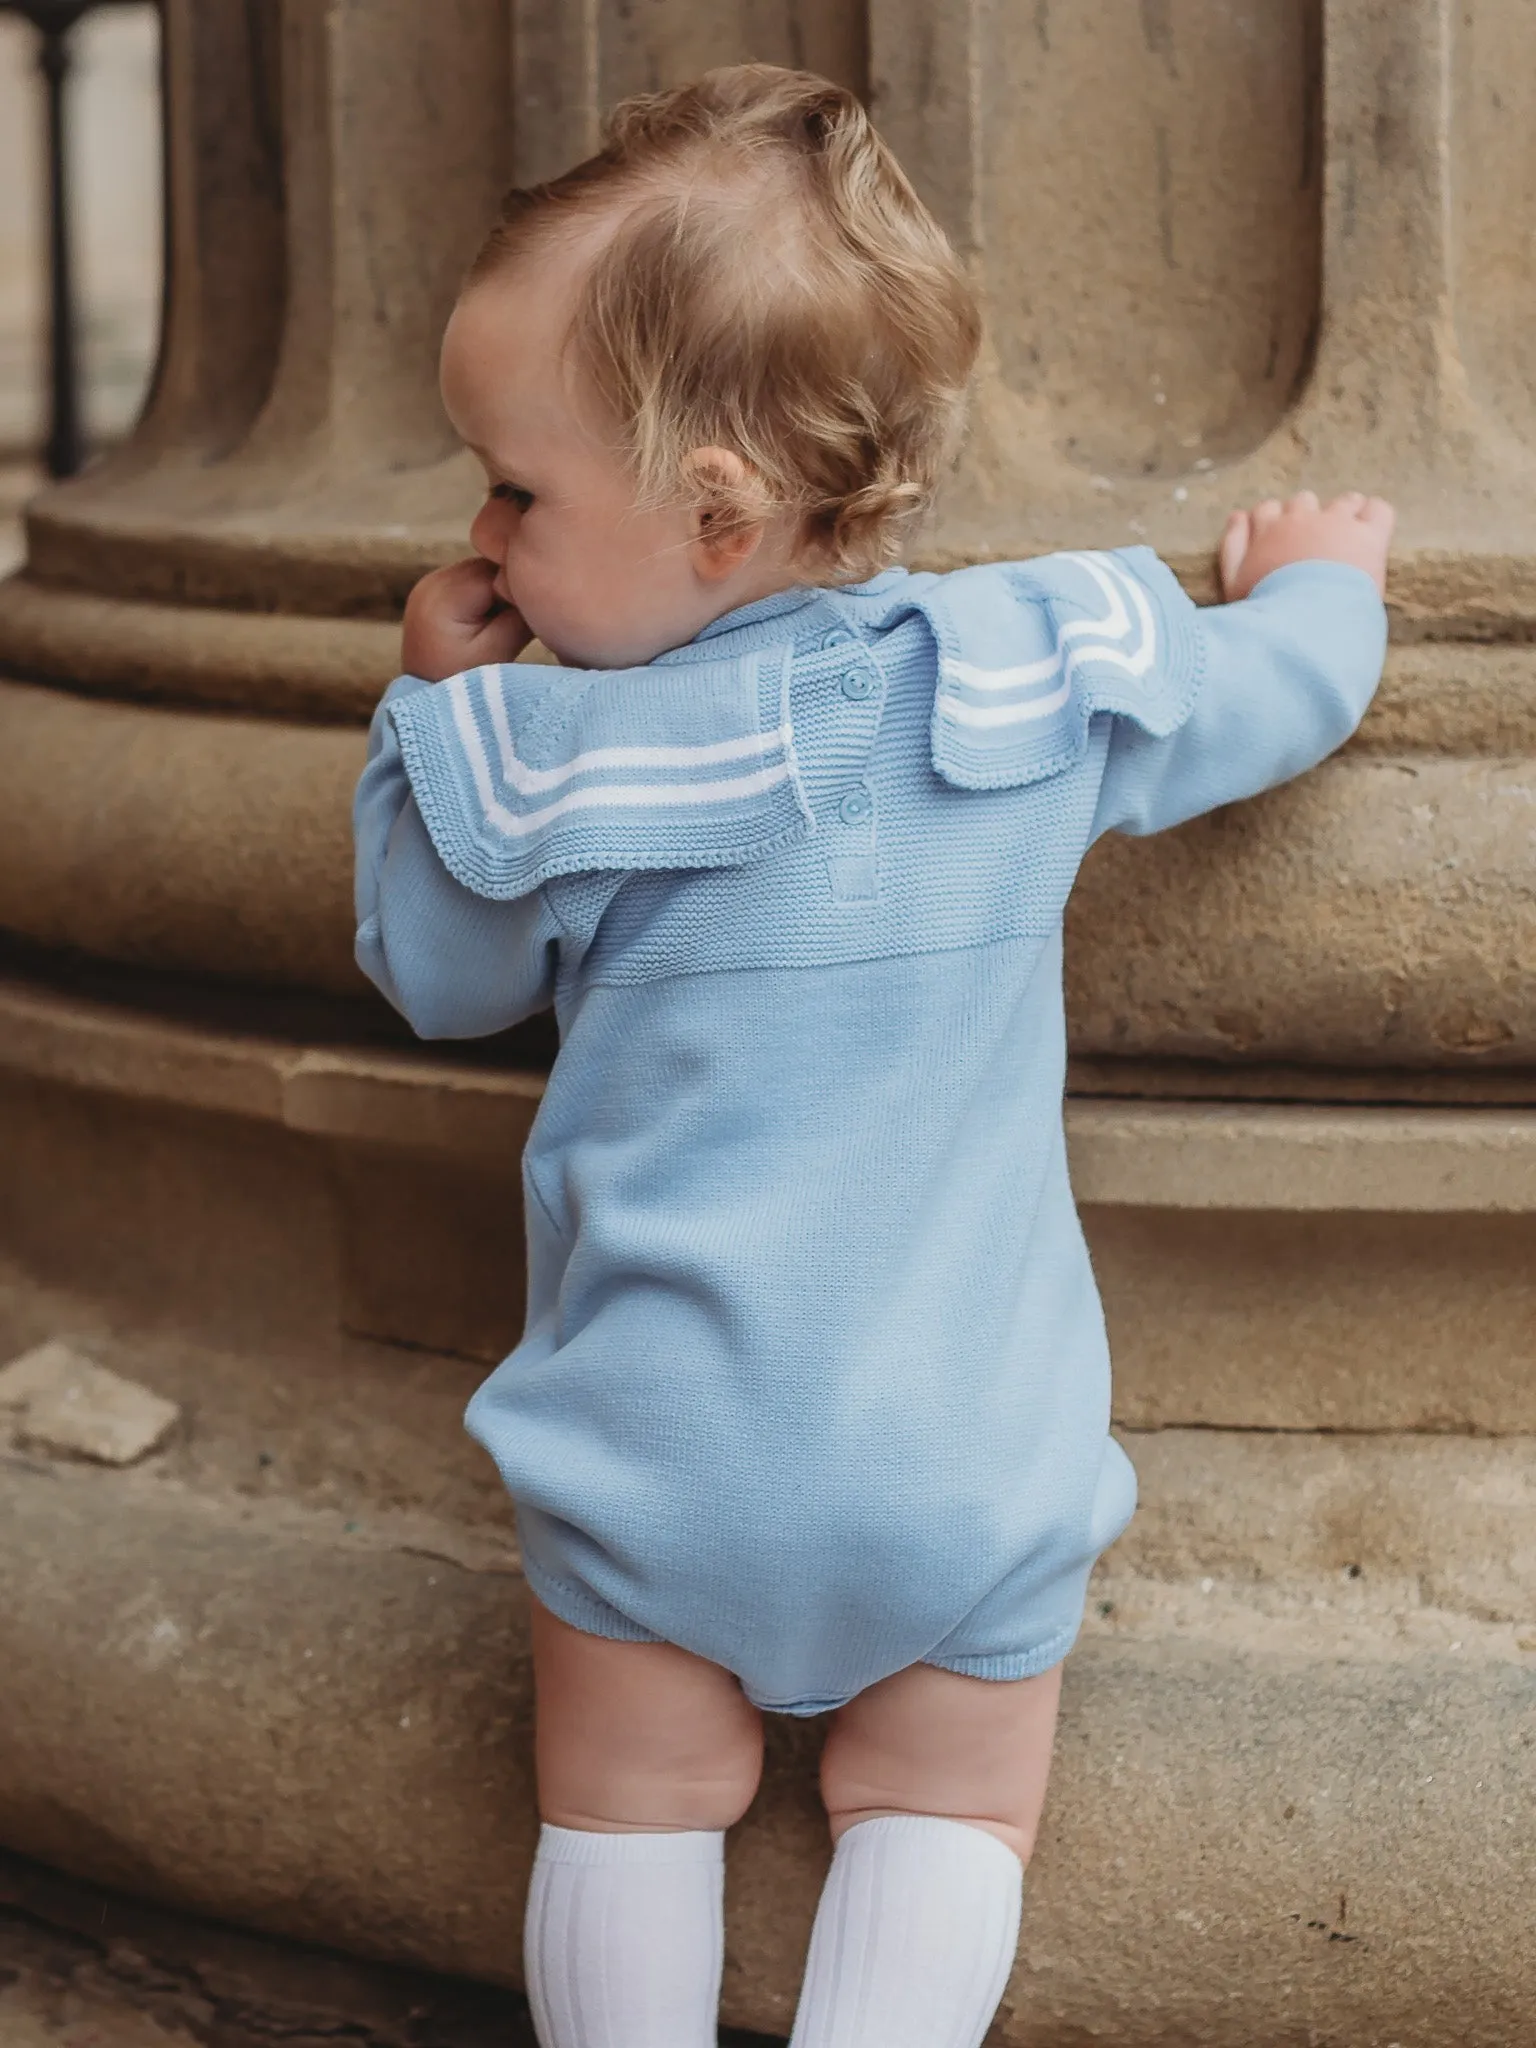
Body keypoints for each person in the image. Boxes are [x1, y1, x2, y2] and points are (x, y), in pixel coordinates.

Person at [353, 63, 1393, 2048]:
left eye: (517, 488)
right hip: (954, 1475)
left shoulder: (560, 752)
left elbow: (439, 969)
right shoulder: (1029, 672)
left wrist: (429, 723)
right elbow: (1285, 690)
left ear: (717, 516)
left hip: (657, 1467)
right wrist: (1324, 581)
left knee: (630, 1802)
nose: (482, 528)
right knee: (946, 1798)